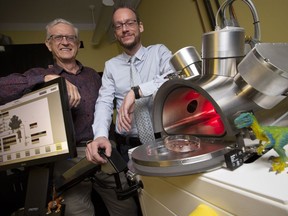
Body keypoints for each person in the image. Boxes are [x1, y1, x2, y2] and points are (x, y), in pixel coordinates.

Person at [0, 18, 138, 216]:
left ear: (77, 43)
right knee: (77, 212)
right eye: (58, 37)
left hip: (105, 150)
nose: (65, 41)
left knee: (127, 207)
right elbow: (2, 89)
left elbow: (106, 106)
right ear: (48, 44)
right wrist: (48, 79)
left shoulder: (93, 75)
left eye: (71, 37)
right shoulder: (40, 75)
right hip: (69, 158)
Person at [85, 5, 173, 164]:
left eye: (129, 23)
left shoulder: (159, 52)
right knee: (137, 188)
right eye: (118, 26)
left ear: (140, 26)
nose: (124, 29)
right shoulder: (111, 66)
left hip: (164, 140)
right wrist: (100, 135)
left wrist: (137, 92)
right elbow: (104, 102)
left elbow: (174, 77)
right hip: (127, 148)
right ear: (115, 33)